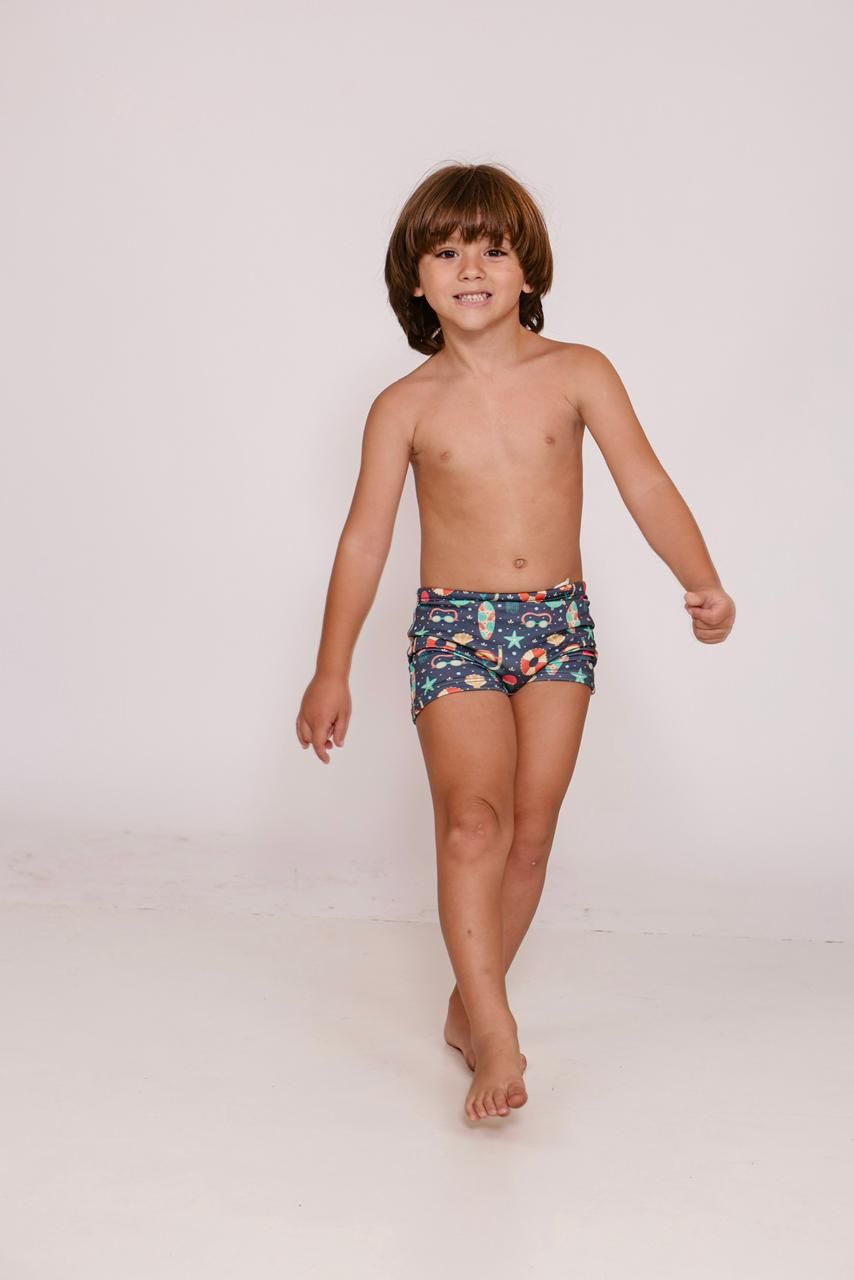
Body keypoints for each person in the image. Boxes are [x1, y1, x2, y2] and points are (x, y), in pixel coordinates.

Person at [296, 161, 736, 1122]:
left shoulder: (579, 373)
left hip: (557, 626)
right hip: (453, 630)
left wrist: (700, 580)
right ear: (415, 280)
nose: (471, 269)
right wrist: (332, 668)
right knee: (473, 823)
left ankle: (468, 1003)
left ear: (527, 268)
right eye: (447, 252)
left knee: (530, 835)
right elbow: (364, 540)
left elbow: (646, 481)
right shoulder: (404, 406)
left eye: (493, 249)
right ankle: (497, 1030)